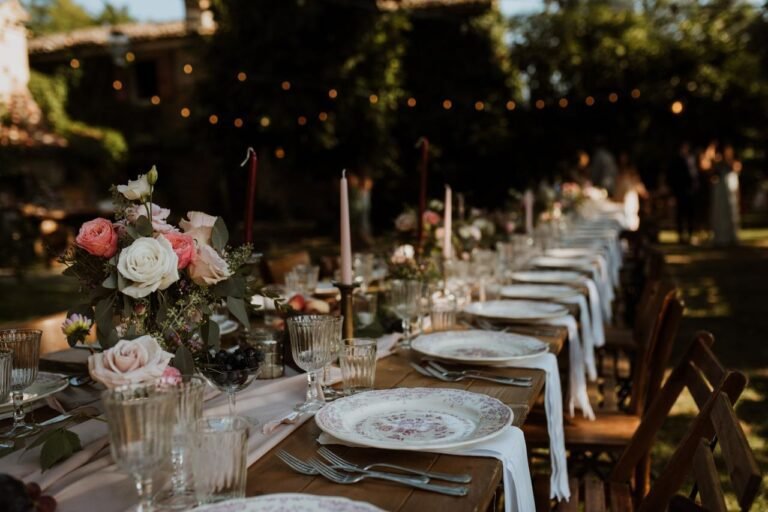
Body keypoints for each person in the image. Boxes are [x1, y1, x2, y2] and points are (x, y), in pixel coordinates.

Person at [709, 144, 741, 246]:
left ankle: (730, 236)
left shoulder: (731, 163)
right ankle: (721, 237)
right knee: (721, 213)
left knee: (731, 213)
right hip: (721, 192)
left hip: (729, 191)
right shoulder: (718, 163)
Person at [667, 142, 699, 244]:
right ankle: (681, 236)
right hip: (681, 191)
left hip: (690, 191)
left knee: (690, 214)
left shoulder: (691, 159)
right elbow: (673, 177)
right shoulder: (676, 161)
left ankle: (690, 234)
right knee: (681, 214)